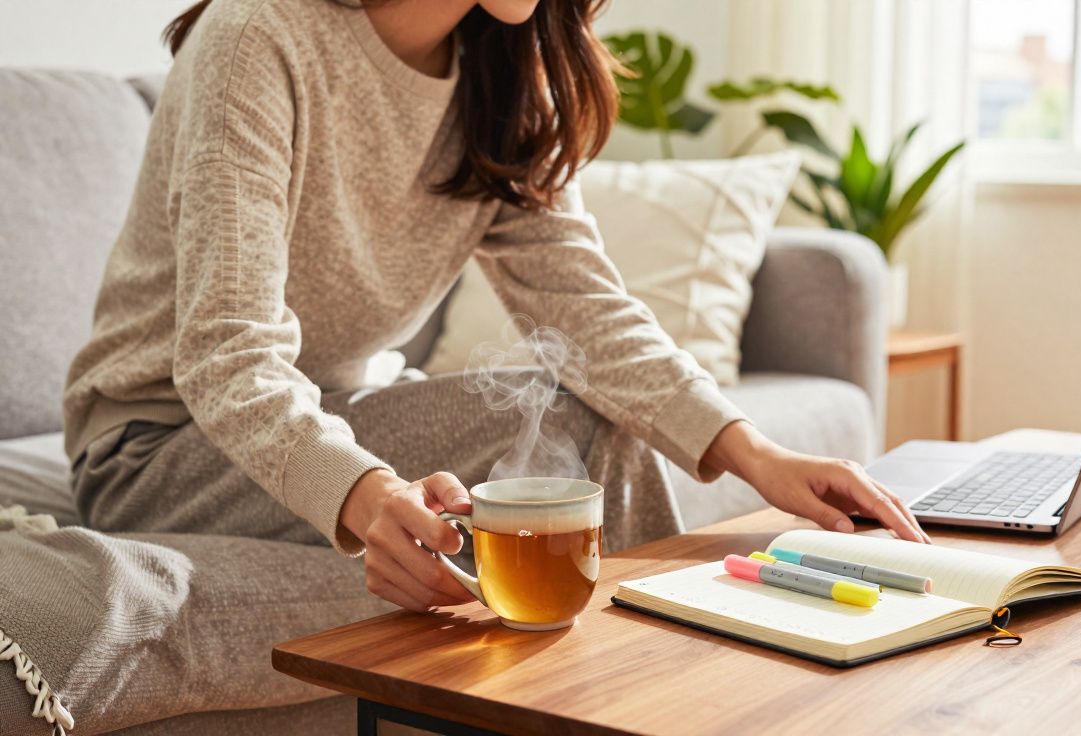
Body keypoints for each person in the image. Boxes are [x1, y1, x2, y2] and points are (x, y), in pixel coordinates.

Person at [63, 0, 929, 615]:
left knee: (595, 415)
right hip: (157, 449)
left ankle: (632, 687)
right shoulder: (259, 37)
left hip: (329, 407)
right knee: (578, 427)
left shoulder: (505, 75)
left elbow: (590, 312)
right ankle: (634, 694)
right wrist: (367, 497)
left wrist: (757, 454)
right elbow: (227, 358)